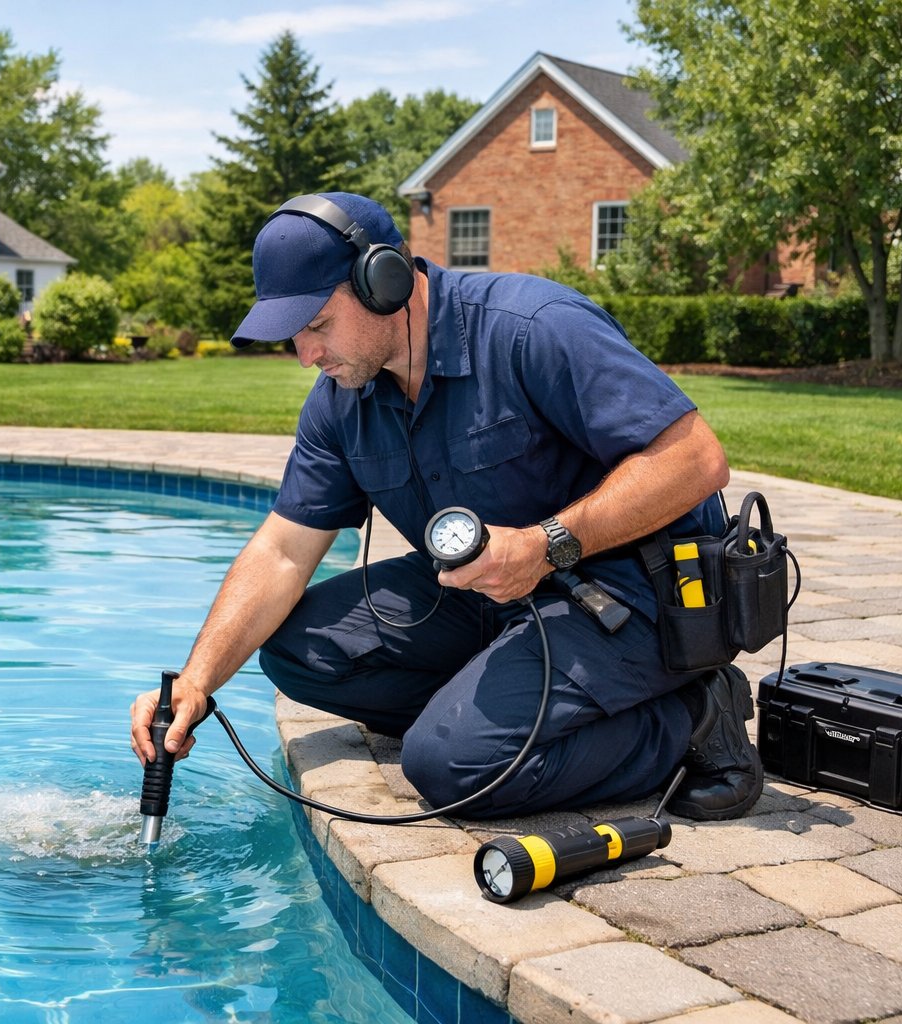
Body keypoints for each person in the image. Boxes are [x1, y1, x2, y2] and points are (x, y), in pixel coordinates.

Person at [129, 191, 763, 821]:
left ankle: (694, 718)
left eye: (317, 325)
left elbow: (696, 461)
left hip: (635, 592)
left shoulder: (533, 327)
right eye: (292, 337)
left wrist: (546, 545)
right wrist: (197, 681)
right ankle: (500, 710)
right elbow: (283, 550)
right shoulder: (340, 401)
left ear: (385, 280)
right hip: (486, 595)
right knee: (299, 650)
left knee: (453, 766)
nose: (307, 356)